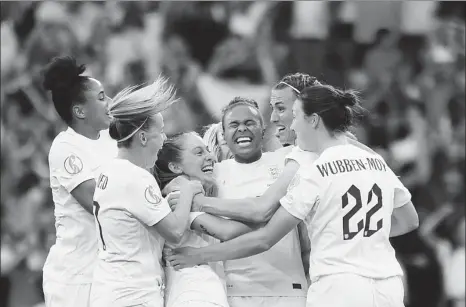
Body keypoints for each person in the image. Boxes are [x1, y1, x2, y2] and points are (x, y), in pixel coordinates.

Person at [167, 84, 420, 307]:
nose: (290, 124)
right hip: (388, 284)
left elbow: (264, 235)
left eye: (295, 116)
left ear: (314, 120)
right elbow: (409, 221)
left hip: (337, 285)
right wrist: (358, 235)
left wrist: (197, 248)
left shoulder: (312, 170)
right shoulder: (376, 161)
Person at [168, 97, 309, 307]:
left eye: (249, 122)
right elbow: (177, 184)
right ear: (223, 135)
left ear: (263, 129)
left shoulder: (286, 159)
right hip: (236, 293)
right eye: (234, 125)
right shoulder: (213, 174)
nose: (242, 128)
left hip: (289, 290)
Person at [90, 78, 204, 307]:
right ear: (142, 137)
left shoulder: (109, 170)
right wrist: (186, 187)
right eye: (160, 132)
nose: (163, 140)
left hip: (110, 289)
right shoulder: (137, 178)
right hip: (132, 296)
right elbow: (175, 232)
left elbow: (139, 215)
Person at [42, 56, 117, 307]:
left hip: (105, 272)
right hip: (73, 279)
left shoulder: (112, 140)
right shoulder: (65, 148)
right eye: (102, 97)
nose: (110, 103)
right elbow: (98, 204)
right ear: (80, 111)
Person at [155, 131, 257, 307]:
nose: (210, 157)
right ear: (176, 167)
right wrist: (274, 212)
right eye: (199, 152)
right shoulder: (179, 198)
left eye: (208, 150)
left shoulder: (189, 193)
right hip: (195, 294)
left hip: (200, 291)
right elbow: (228, 231)